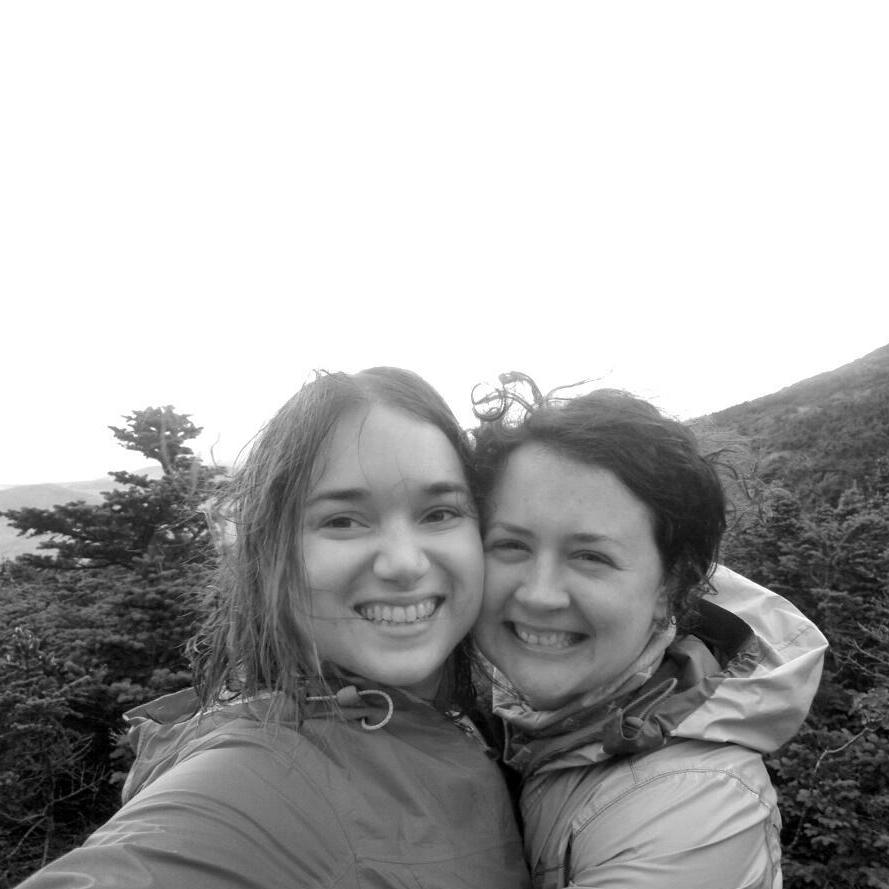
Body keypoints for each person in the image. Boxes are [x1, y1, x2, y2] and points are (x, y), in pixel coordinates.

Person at [17, 368, 531, 889]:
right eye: (343, 520)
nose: (404, 563)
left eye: (440, 512)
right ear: (268, 555)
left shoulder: (482, 723)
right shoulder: (252, 781)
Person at [470, 376, 828, 889]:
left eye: (591, 556)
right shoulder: (495, 709)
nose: (539, 594)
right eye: (511, 545)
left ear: (670, 587)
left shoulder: (696, 808)